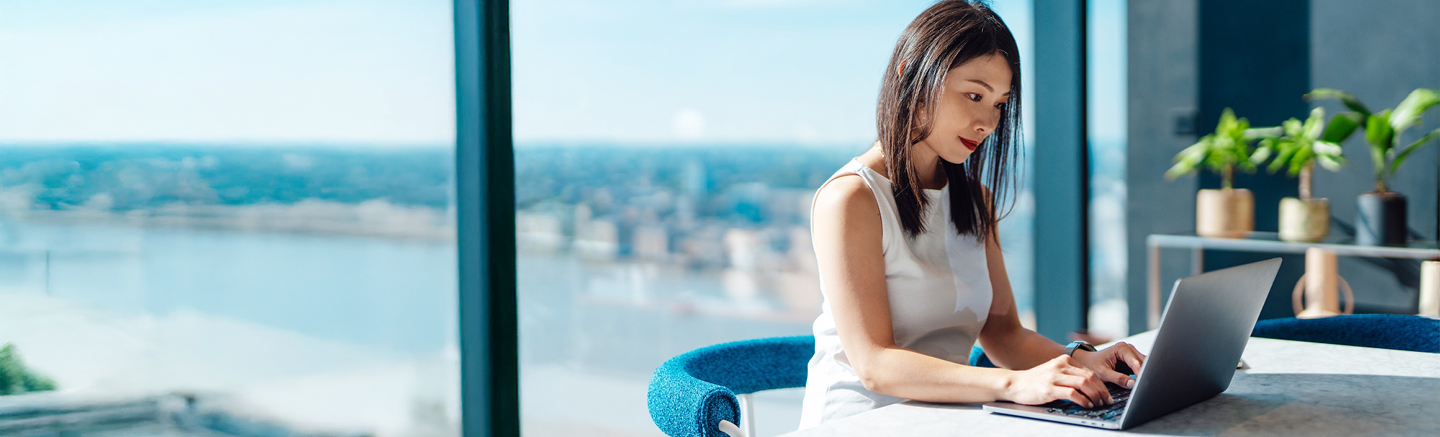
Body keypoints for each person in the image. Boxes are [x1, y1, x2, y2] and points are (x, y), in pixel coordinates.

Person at [799, 0, 1147, 428]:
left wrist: (1082, 360)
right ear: (911, 74)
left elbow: (1004, 333)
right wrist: (1010, 384)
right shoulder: (851, 198)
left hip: (946, 419)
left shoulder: (975, 200)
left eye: (1000, 104)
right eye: (974, 95)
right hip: (858, 422)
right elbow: (875, 364)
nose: (987, 121)